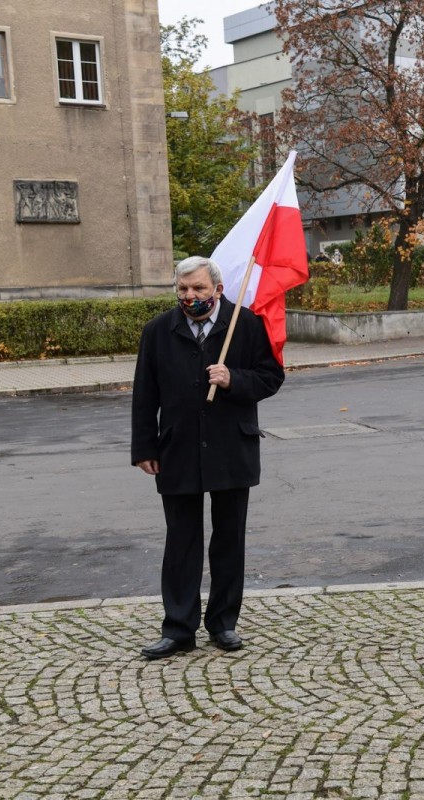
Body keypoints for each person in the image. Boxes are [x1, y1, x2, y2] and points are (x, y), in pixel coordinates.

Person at [131, 256, 285, 659]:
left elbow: (272, 376)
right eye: (183, 289)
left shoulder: (246, 324)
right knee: (181, 542)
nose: (190, 296)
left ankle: (223, 623)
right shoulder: (158, 331)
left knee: (228, 540)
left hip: (231, 448)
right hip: (177, 449)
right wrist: (144, 447)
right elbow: (144, 394)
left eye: (198, 288)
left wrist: (235, 379)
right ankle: (179, 628)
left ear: (217, 289)